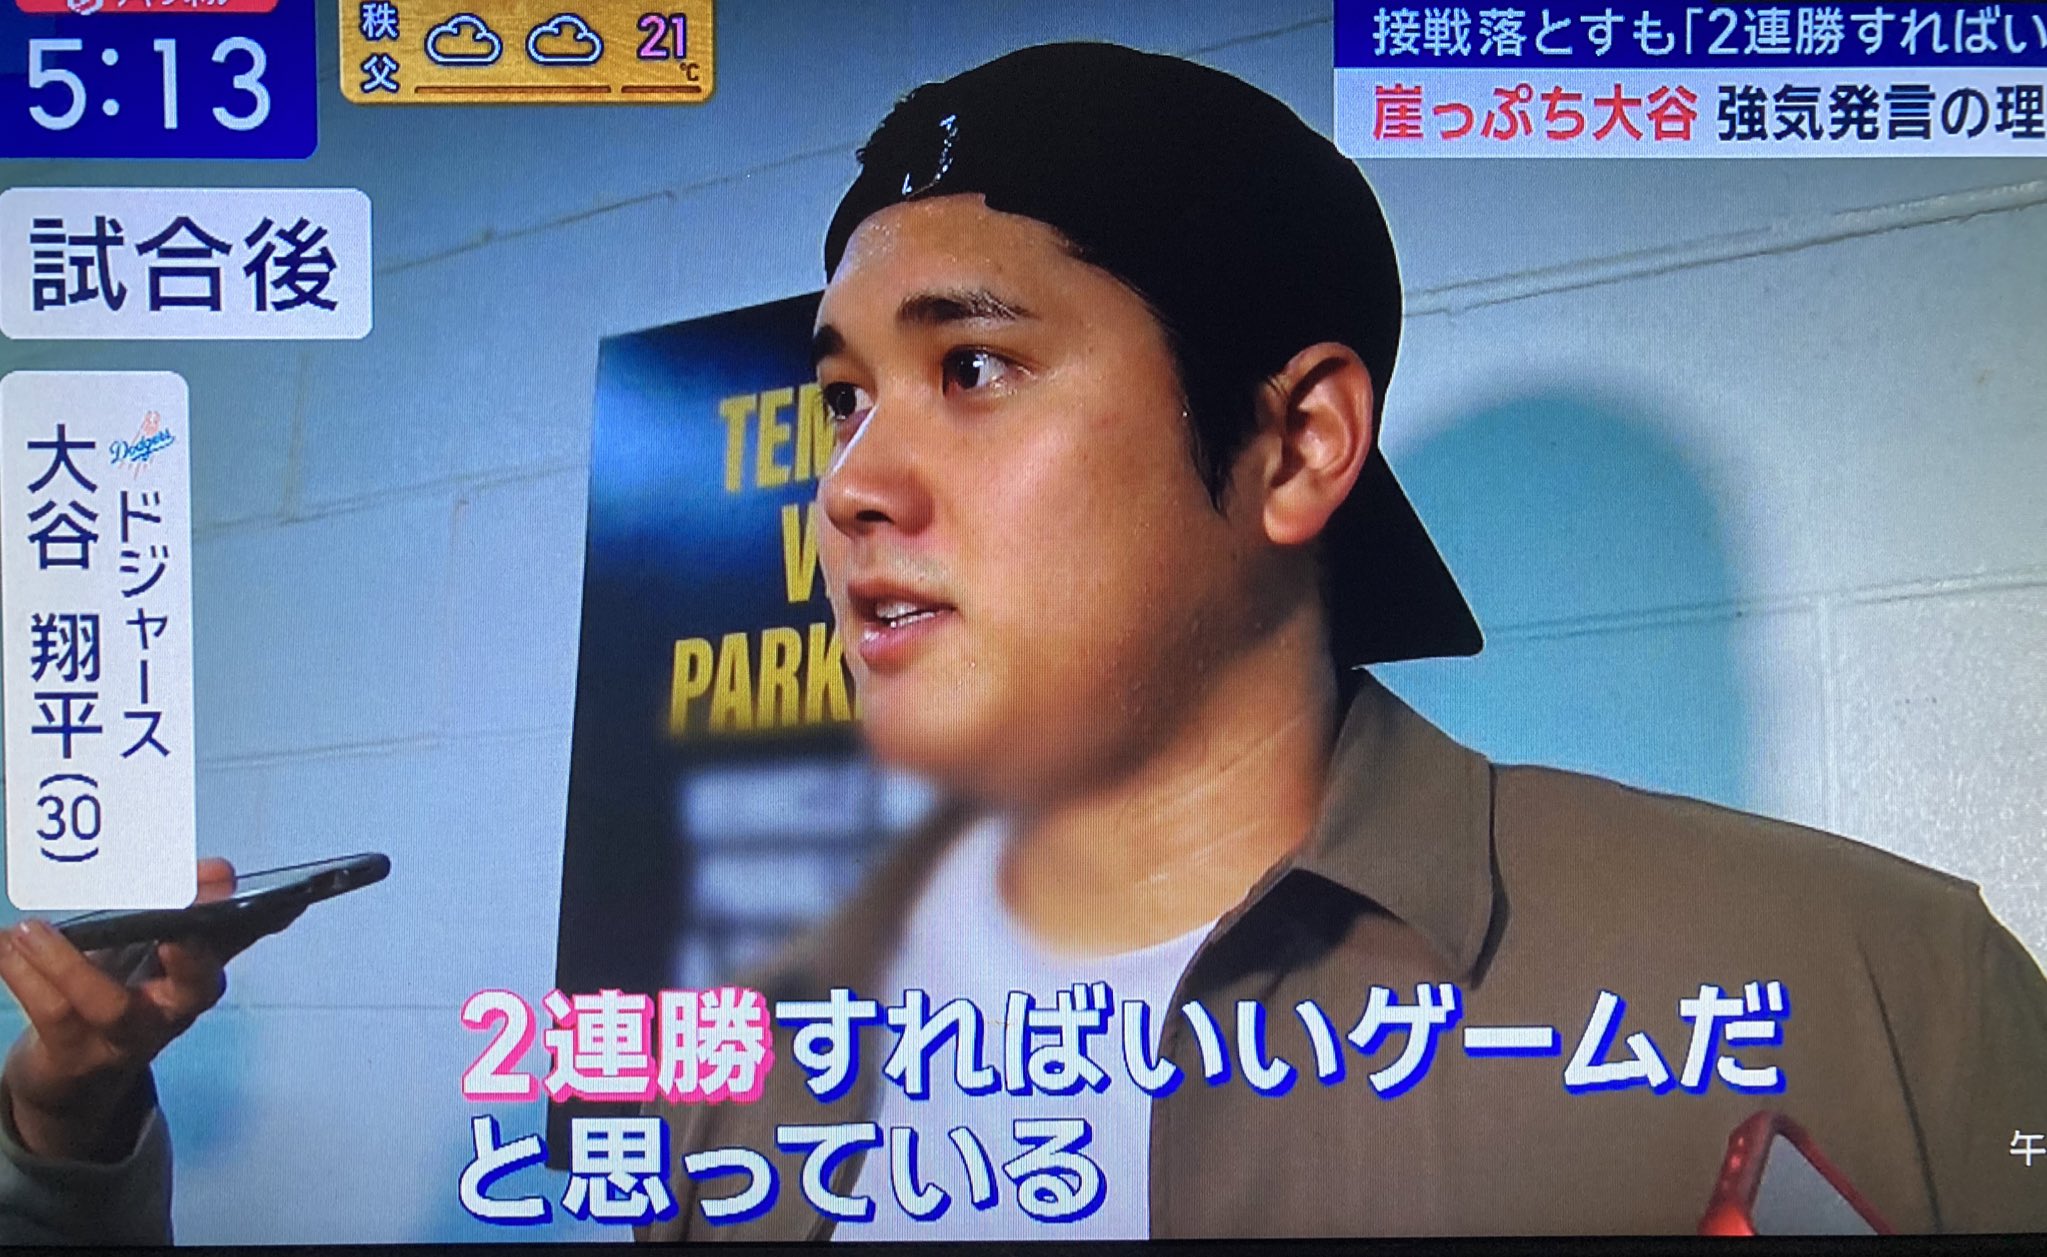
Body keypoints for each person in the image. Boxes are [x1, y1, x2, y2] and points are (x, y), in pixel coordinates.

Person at [6, 41, 2045, 1245]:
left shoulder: (1863, 989)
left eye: (973, 366)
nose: (851, 484)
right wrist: (74, 1141)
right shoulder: (762, 1058)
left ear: (1295, 442)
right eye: (840, 398)